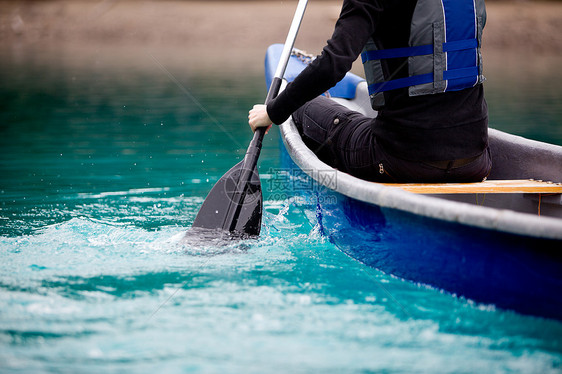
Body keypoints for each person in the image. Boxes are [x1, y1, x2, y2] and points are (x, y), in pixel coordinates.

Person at [248, 0, 491, 183]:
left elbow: (332, 66)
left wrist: (274, 111)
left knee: (300, 105)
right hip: (476, 160)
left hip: (398, 160)